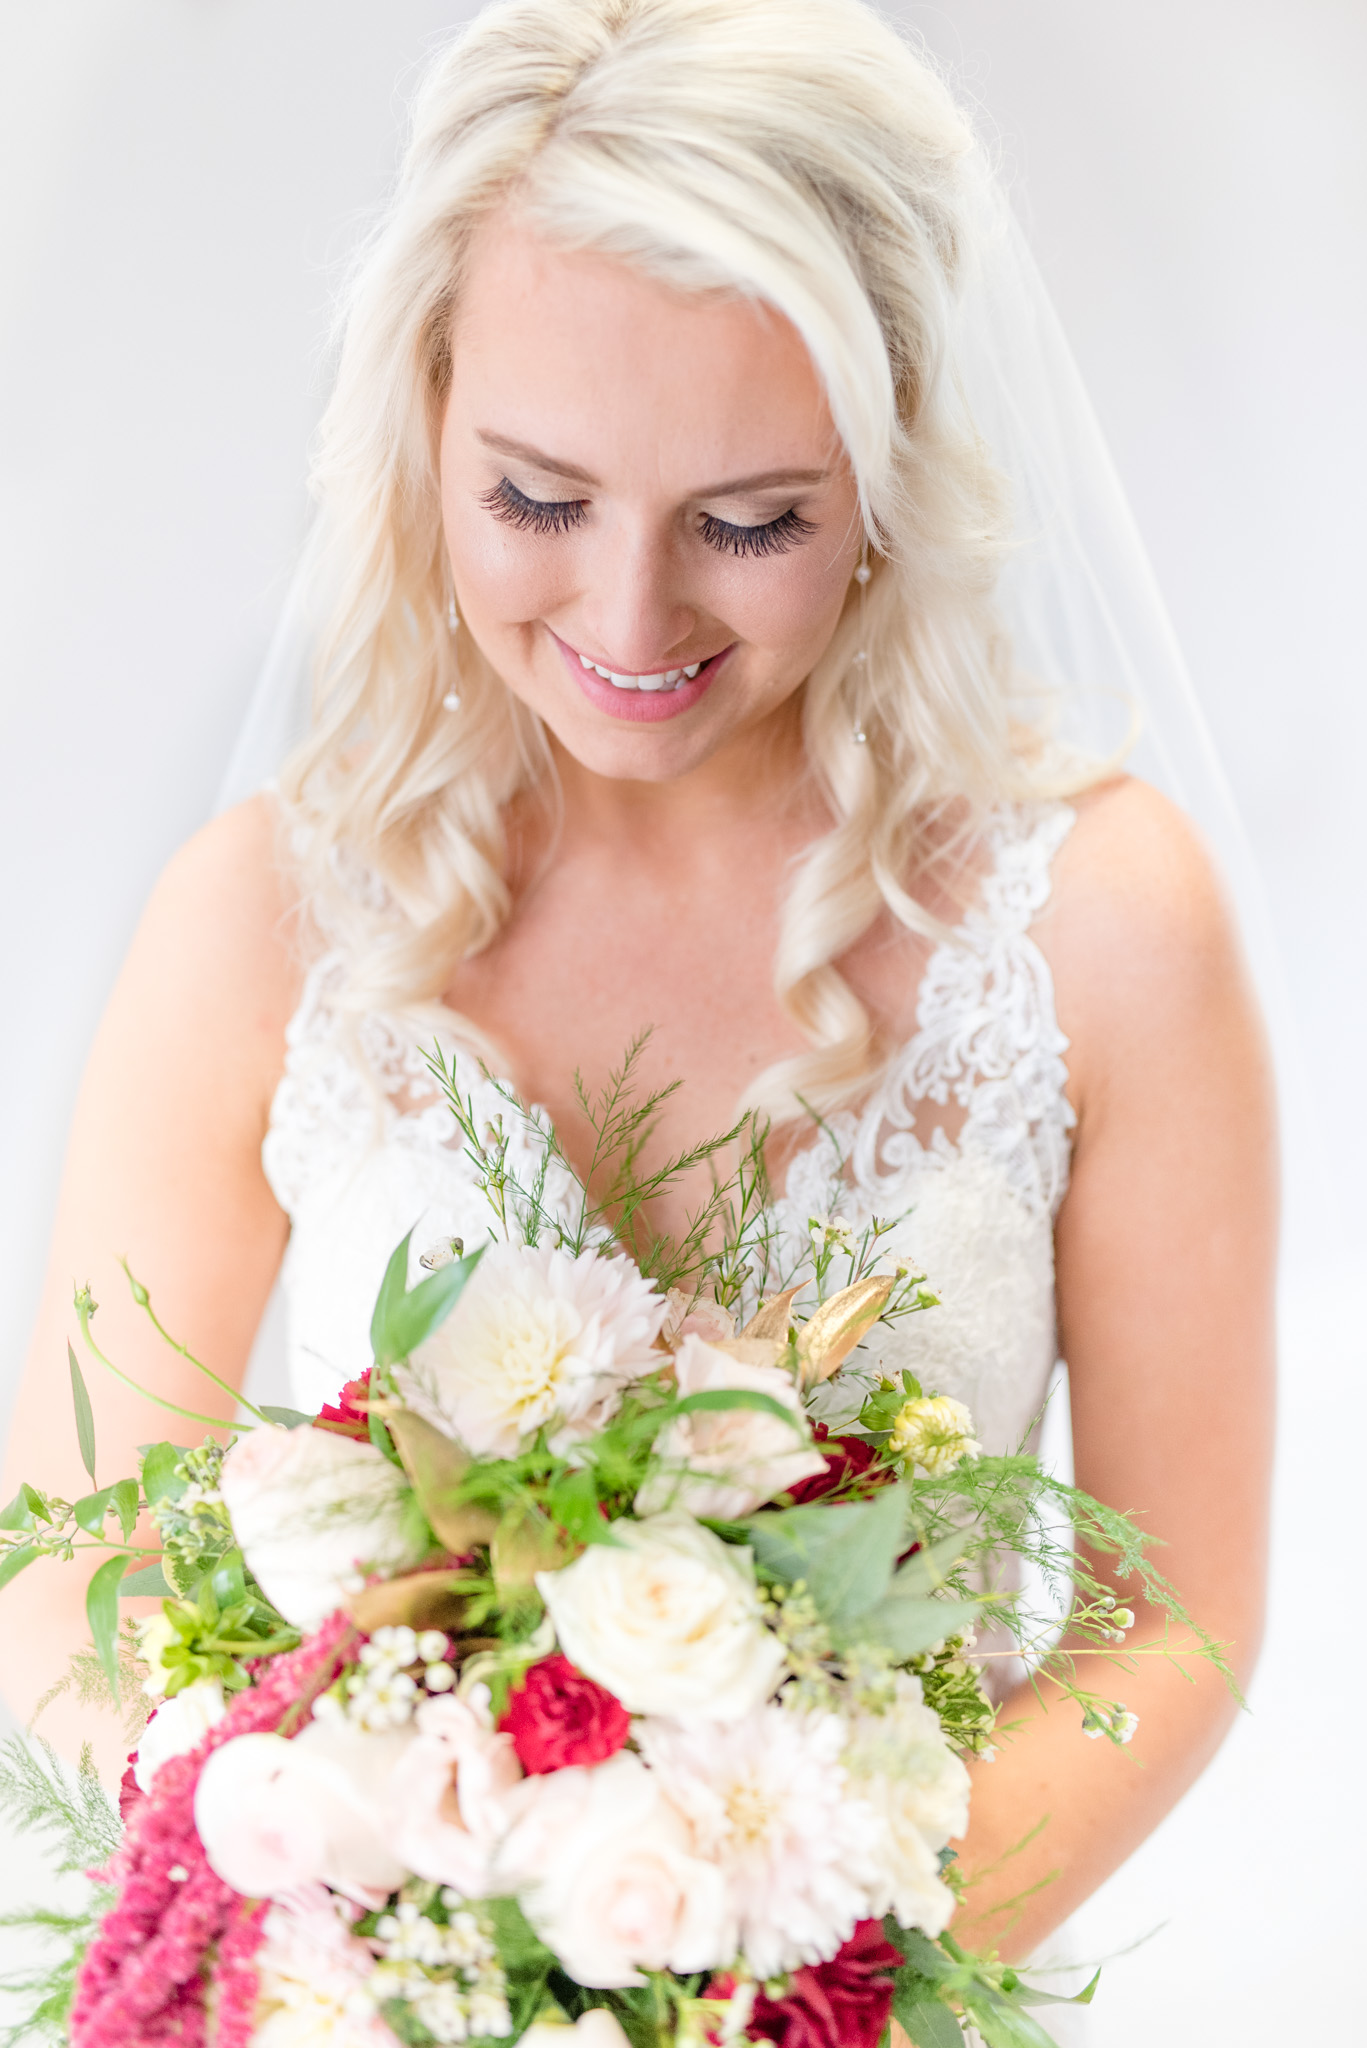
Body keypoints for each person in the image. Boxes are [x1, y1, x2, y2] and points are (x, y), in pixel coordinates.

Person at [0, 0, 1273, 1969]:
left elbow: (1170, 1620)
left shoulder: (1105, 927)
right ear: (420, 411)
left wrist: (821, 1984)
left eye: (749, 522)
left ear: (893, 456)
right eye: (536, 498)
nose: (625, 618)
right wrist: (357, 1929)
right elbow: (67, 1576)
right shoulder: (259, 923)